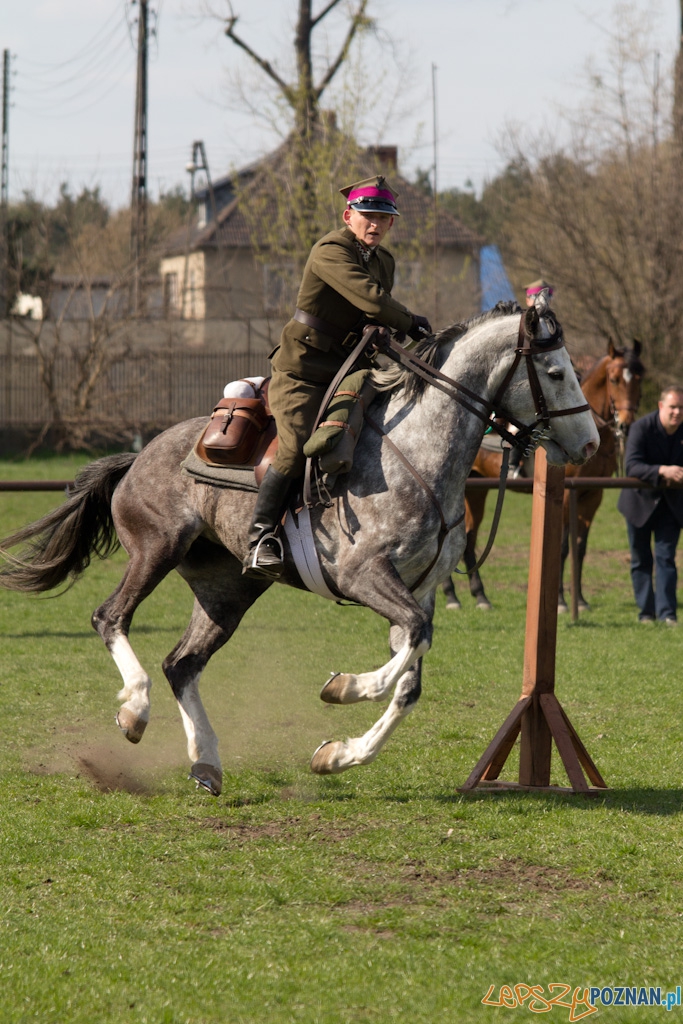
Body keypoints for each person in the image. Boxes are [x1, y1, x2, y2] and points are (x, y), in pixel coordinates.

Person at [242, 175, 433, 578]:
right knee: (295, 448)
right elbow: (369, 298)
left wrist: (389, 333)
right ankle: (260, 539)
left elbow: (370, 314)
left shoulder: (385, 261)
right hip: (303, 371)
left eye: (384, 217)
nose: (375, 224)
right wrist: (407, 319)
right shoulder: (331, 249)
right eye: (367, 216)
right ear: (349, 216)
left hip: (349, 368)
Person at [617, 386, 683, 624]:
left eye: (681, 408)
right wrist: (662, 470)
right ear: (661, 406)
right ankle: (646, 613)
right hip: (639, 505)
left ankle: (667, 614)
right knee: (640, 559)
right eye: (673, 407)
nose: (677, 412)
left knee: (666, 558)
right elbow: (632, 466)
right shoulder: (640, 428)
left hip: (671, 506)